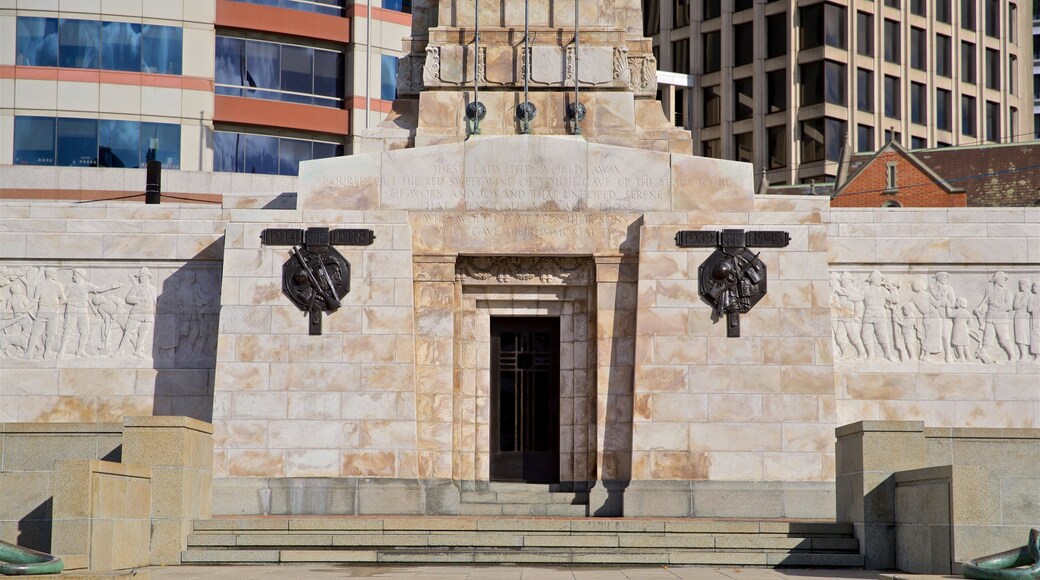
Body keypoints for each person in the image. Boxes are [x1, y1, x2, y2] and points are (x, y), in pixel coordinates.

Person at [973, 271, 1016, 363]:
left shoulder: (1006, 292)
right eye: (1002, 279)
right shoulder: (989, 290)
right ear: (996, 280)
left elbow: (1009, 306)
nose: (1004, 281)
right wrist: (979, 308)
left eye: (1005, 279)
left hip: (1001, 318)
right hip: (990, 317)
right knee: (987, 339)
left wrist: (998, 305)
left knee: (1003, 339)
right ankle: (983, 355)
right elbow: (985, 301)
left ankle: (1013, 357)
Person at [26, 268, 66, 359]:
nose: (56, 274)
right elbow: (63, 299)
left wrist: (27, 307)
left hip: (43, 310)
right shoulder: (57, 285)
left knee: (36, 333)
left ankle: (30, 353)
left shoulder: (40, 284)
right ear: (49, 274)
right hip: (51, 311)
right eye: (54, 273)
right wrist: (58, 307)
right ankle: (46, 353)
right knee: (49, 333)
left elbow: (35, 299)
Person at [930, 272, 956, 362]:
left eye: (946, 277)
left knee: (945, 335)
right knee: (933, 334)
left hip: (945, 314)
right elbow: (927, 301)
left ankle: (948, 355)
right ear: (938, 278)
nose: (945, 279)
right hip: (933, 314)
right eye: (943, 277)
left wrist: (945, 303)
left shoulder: (949, 288)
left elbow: (953, 303)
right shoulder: (930, 288)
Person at [1012, 279, 1031, 361]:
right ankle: (1023, 355)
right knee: (1020, 336)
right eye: (1020, 284)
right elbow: (1015, 306)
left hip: (1029, 317)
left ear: (1027, 285)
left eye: (1022, 284)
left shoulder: (1031, 295)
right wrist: (1022, 299)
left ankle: (1032, 355)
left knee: (1029, 335)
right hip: (1019, 315)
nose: (1020, 286)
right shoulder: (1018, 295)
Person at [950, 297, 972, 361]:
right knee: (964, 344)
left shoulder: (956, 311)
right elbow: (970, 321)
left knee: (958, 344)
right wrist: (968, 328)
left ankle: (961, 357)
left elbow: (949, 315)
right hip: (965, 329)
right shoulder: (967, 312)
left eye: (956, 301)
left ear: (960, 303)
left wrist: (947, 308)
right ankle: (968, 357)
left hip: (957, 329)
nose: (955, 302)